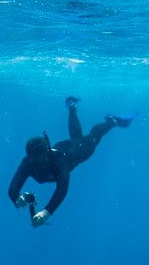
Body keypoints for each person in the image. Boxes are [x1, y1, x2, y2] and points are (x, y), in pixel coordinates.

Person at [8, 96, 136, 228]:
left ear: (46, 155)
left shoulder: (59, 163)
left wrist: (47, 212)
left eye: (38, 160)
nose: (34, 164)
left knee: (92, 137)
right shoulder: (27, 162)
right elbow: (13, 188)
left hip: (77, 153)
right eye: (32, 159)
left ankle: (112, 122)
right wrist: (17, 199)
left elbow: (62, 189)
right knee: (77, 138)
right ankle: (72, 107)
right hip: (61, 147)